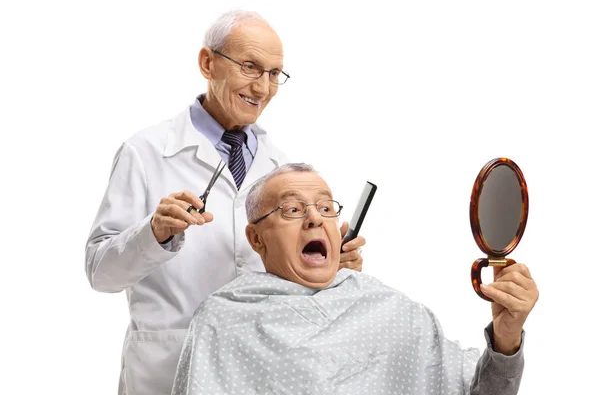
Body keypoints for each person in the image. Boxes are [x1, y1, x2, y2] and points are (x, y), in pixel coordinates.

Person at [85, 10, 365, 395]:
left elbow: (290, 284)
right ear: (207, 63)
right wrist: (153, 233)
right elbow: (101, 274)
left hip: (257, 370)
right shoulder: (145, 152)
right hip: (167, 368)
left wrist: (333, 265)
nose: (263, 88)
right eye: (251, 67)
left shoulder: (279, 166)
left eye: (274, 73)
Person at [171, 163, 539, 395]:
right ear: (256, 239)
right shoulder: (224, 319)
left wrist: (506, 338)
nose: (315, 219)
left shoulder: (394, 312)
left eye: (326, 208)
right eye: (293, 209)